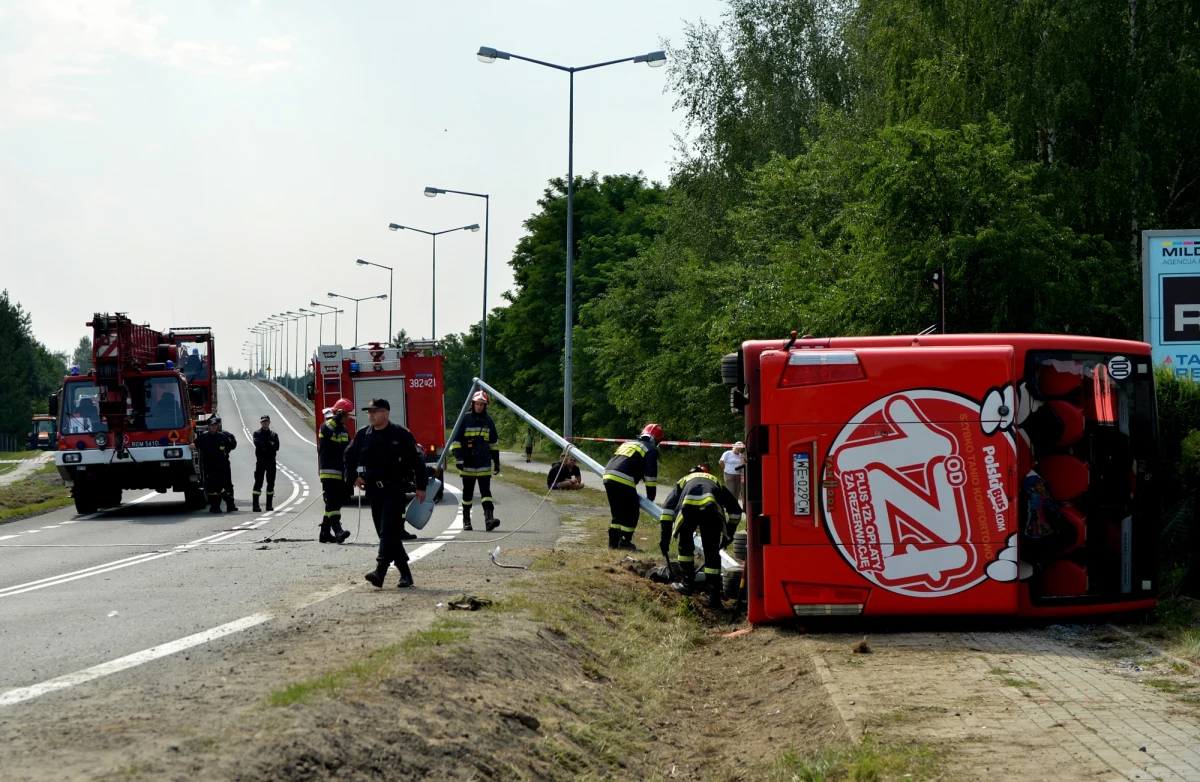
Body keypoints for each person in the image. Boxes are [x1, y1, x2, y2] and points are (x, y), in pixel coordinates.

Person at [344, 398, 428, 589]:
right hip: (373, 492)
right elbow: (348, 455)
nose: (371, 415)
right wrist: (353, 478)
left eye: (375, 411)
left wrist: (421, 487)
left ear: (386, 413)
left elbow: (417, 461)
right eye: (369, 412)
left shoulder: (400, 434)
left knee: (387, 531)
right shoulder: (363, 435)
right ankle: (405, 574)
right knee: (388, 535)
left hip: (394, 489)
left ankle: (380, 571)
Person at [659, 465, 743, 604]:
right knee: (711, 553)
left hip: (688, 510)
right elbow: (735, 511)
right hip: (711, 512)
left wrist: (665, 539)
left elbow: (667, 511)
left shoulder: (683, 480)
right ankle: (714, 596)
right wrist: (729, 534)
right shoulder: (715, 480)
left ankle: (687, 585)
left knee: (685, 547)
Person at [602, 423, 662, 550]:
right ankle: (625, 543)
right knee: (632, 512)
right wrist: (651, 496)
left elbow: (627, 461)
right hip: (623, 479)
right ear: (656, 440)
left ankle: (613, 544)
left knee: (617, 513)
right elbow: (650, 475)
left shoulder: (627, 443)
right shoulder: (651, 449)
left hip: (608, 476)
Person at [449, 390, 501, 532]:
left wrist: (496, 462)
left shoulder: (488, 421)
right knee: (467, 494)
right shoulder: (465, 419)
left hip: (484, 462)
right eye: (477, 404)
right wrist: (459, 458)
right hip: (468, 463)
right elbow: (456, 441)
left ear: (485, 406)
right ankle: (466, 520)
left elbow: (493, 443)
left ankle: (489, 520)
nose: (479, 406)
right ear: (473, 404)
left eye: (482, 404)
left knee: (486, 493)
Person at [316, 398, 353, 544]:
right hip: (329, 471)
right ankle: (338, 531)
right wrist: (337, 417)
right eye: (346, 414)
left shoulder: (343, 429)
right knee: (333, 502)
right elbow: (327, 429)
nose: (348, 418)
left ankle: (324, 532)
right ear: (340, 413)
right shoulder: (327, 426)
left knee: (334, 502)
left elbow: (349, 449)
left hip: (340, 472)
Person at [195, 416, 238, 513]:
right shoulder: (203, 437)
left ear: (217, 426)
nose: (213, 427)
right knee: (213, 486)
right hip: (210, 466)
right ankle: (216, 505)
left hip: (223, 465)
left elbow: (231, 445)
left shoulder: (223, 436)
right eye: (211, 425)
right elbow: (195, 444)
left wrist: (226, 450)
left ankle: (230, 505)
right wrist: (192, 445)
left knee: (227, 485)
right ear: (208, 426)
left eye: (215, 425)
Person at [252, 414, 280, 512]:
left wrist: (266, 444)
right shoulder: (257, 433)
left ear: (269, 422)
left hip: (271, 461)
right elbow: (258, 444)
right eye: (263, 421)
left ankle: (269, 504)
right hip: (261, 461)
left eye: (266, 421)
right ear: (261, 422)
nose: (265, 423)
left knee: (271, 483)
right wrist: (269, 443)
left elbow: (276, 447)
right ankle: (255, 505)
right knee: (258, 482)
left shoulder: (274, 434)